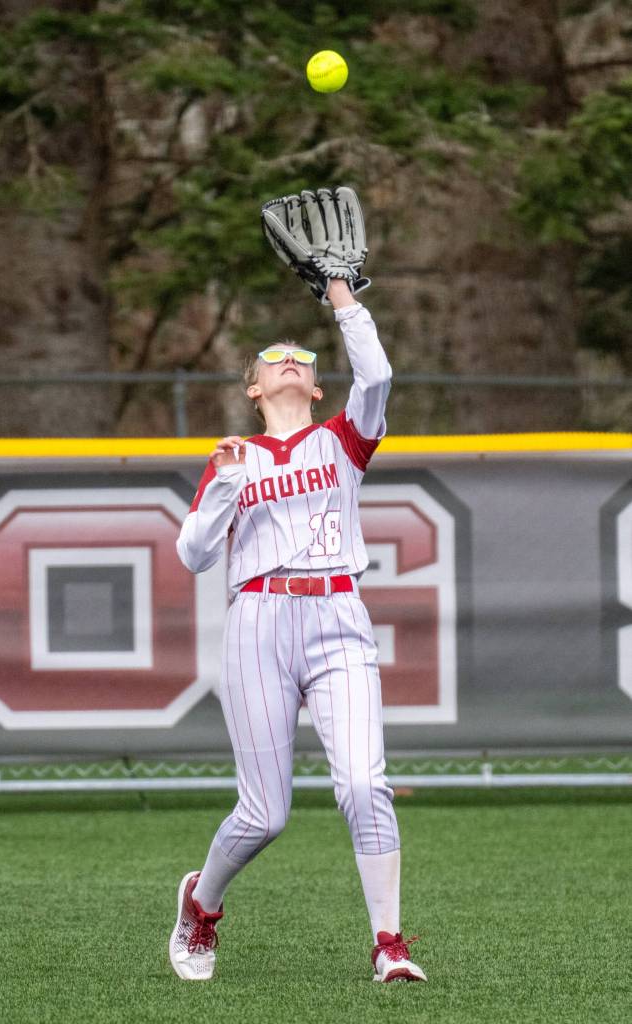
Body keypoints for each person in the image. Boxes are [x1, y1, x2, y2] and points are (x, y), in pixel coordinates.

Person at [170, 188, 427, 984]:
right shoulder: (235, 460)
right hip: (257, 623)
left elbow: (377, 373)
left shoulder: (343, 443)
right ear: (253, 389)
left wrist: (340, 295)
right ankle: (200, 908)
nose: (291, 358)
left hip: (337, 615)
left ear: (315, 390)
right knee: (264, 814)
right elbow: (191, 558)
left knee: (362, 782)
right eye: (274, 358)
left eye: (303, 360)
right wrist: (221, 483)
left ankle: (389, 945)